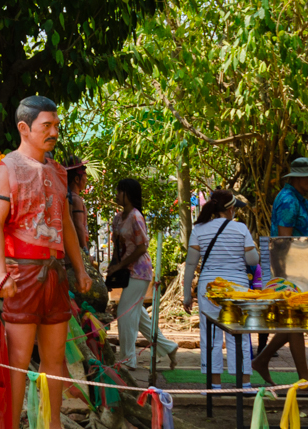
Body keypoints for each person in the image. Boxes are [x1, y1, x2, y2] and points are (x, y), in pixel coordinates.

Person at [0, 96, 96, 429]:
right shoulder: (7, 169)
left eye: (56, 125)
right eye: (46, 125)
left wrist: (79, 268)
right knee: (17, 358)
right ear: (24, 128)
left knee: (54, 358)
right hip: (23, 274)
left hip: (55, 273)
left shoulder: (58, 171)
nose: (53, 132)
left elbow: (65, 225)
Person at [250, 157, 308, 387]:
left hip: (298, 267)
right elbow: (285, 241)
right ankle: (304, 377)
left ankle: (263, 361)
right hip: (290, 270)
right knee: (296, 322)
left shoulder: (299, 198)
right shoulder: (289, 201)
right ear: (298, 178)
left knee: (295, 323)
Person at [183, 189, 260, 385]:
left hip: (209, 288)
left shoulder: (199, 230)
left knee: (210, 335)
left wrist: (187, 295)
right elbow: (252, 260)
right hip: (237, 288)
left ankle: (214, 384)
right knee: (240, 333)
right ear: (231, 209)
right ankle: (244, 384)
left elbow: (191, 264)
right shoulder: (241, 229)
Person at [107, 178, 179, 370]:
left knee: (124, 313)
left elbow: (142, 247)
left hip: (139, 271)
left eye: (120, 191)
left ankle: (128, 359)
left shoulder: (136, 217)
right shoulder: (118, 218)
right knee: (138, 316)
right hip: (127, 270)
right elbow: (117, 246)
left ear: (128, 194)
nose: (116, 195)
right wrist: (114, 267)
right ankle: (168, 347)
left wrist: (120, 265)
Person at [66, 160, 91, 256]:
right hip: (78, 246)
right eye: (85, 176)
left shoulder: (69, 197)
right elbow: (78, 226)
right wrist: (85, 250)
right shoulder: (75, 199)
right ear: (77, 179)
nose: (86, 179)